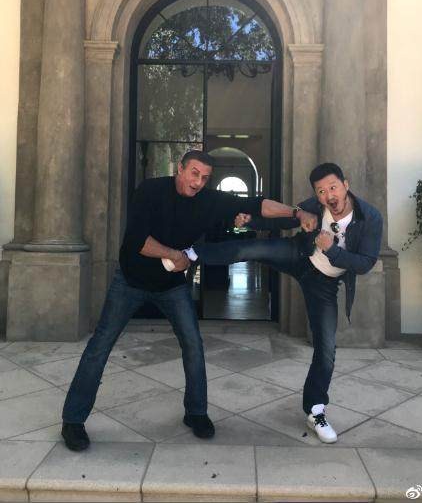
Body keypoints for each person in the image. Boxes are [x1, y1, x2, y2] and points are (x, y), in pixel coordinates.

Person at [61, 149, 316, 451]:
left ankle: (196, 413)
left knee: (193, 344)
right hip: (130, 281)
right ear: (179, 169)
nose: (198, 182)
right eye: (194, 173)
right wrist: (175, 255)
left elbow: (257, 204)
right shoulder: (150, 191)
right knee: (100, 346)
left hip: (171, 286)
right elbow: (137, 241)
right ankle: (73, 421)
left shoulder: (209, 200)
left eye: (205, 178)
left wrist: (297, 213)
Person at [183, 163, 383, 443]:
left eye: (333, 188)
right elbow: (285, 220)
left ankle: (315, 410)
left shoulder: (370, 217)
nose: (328, 196)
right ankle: (191, 254)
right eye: (321, 191)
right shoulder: (316, 206)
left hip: (324, 284)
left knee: (326, 348)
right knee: (250, 248)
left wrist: (332, 251)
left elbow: (365, 263)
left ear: (346, 185)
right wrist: (251, 222)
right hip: (298, 255)